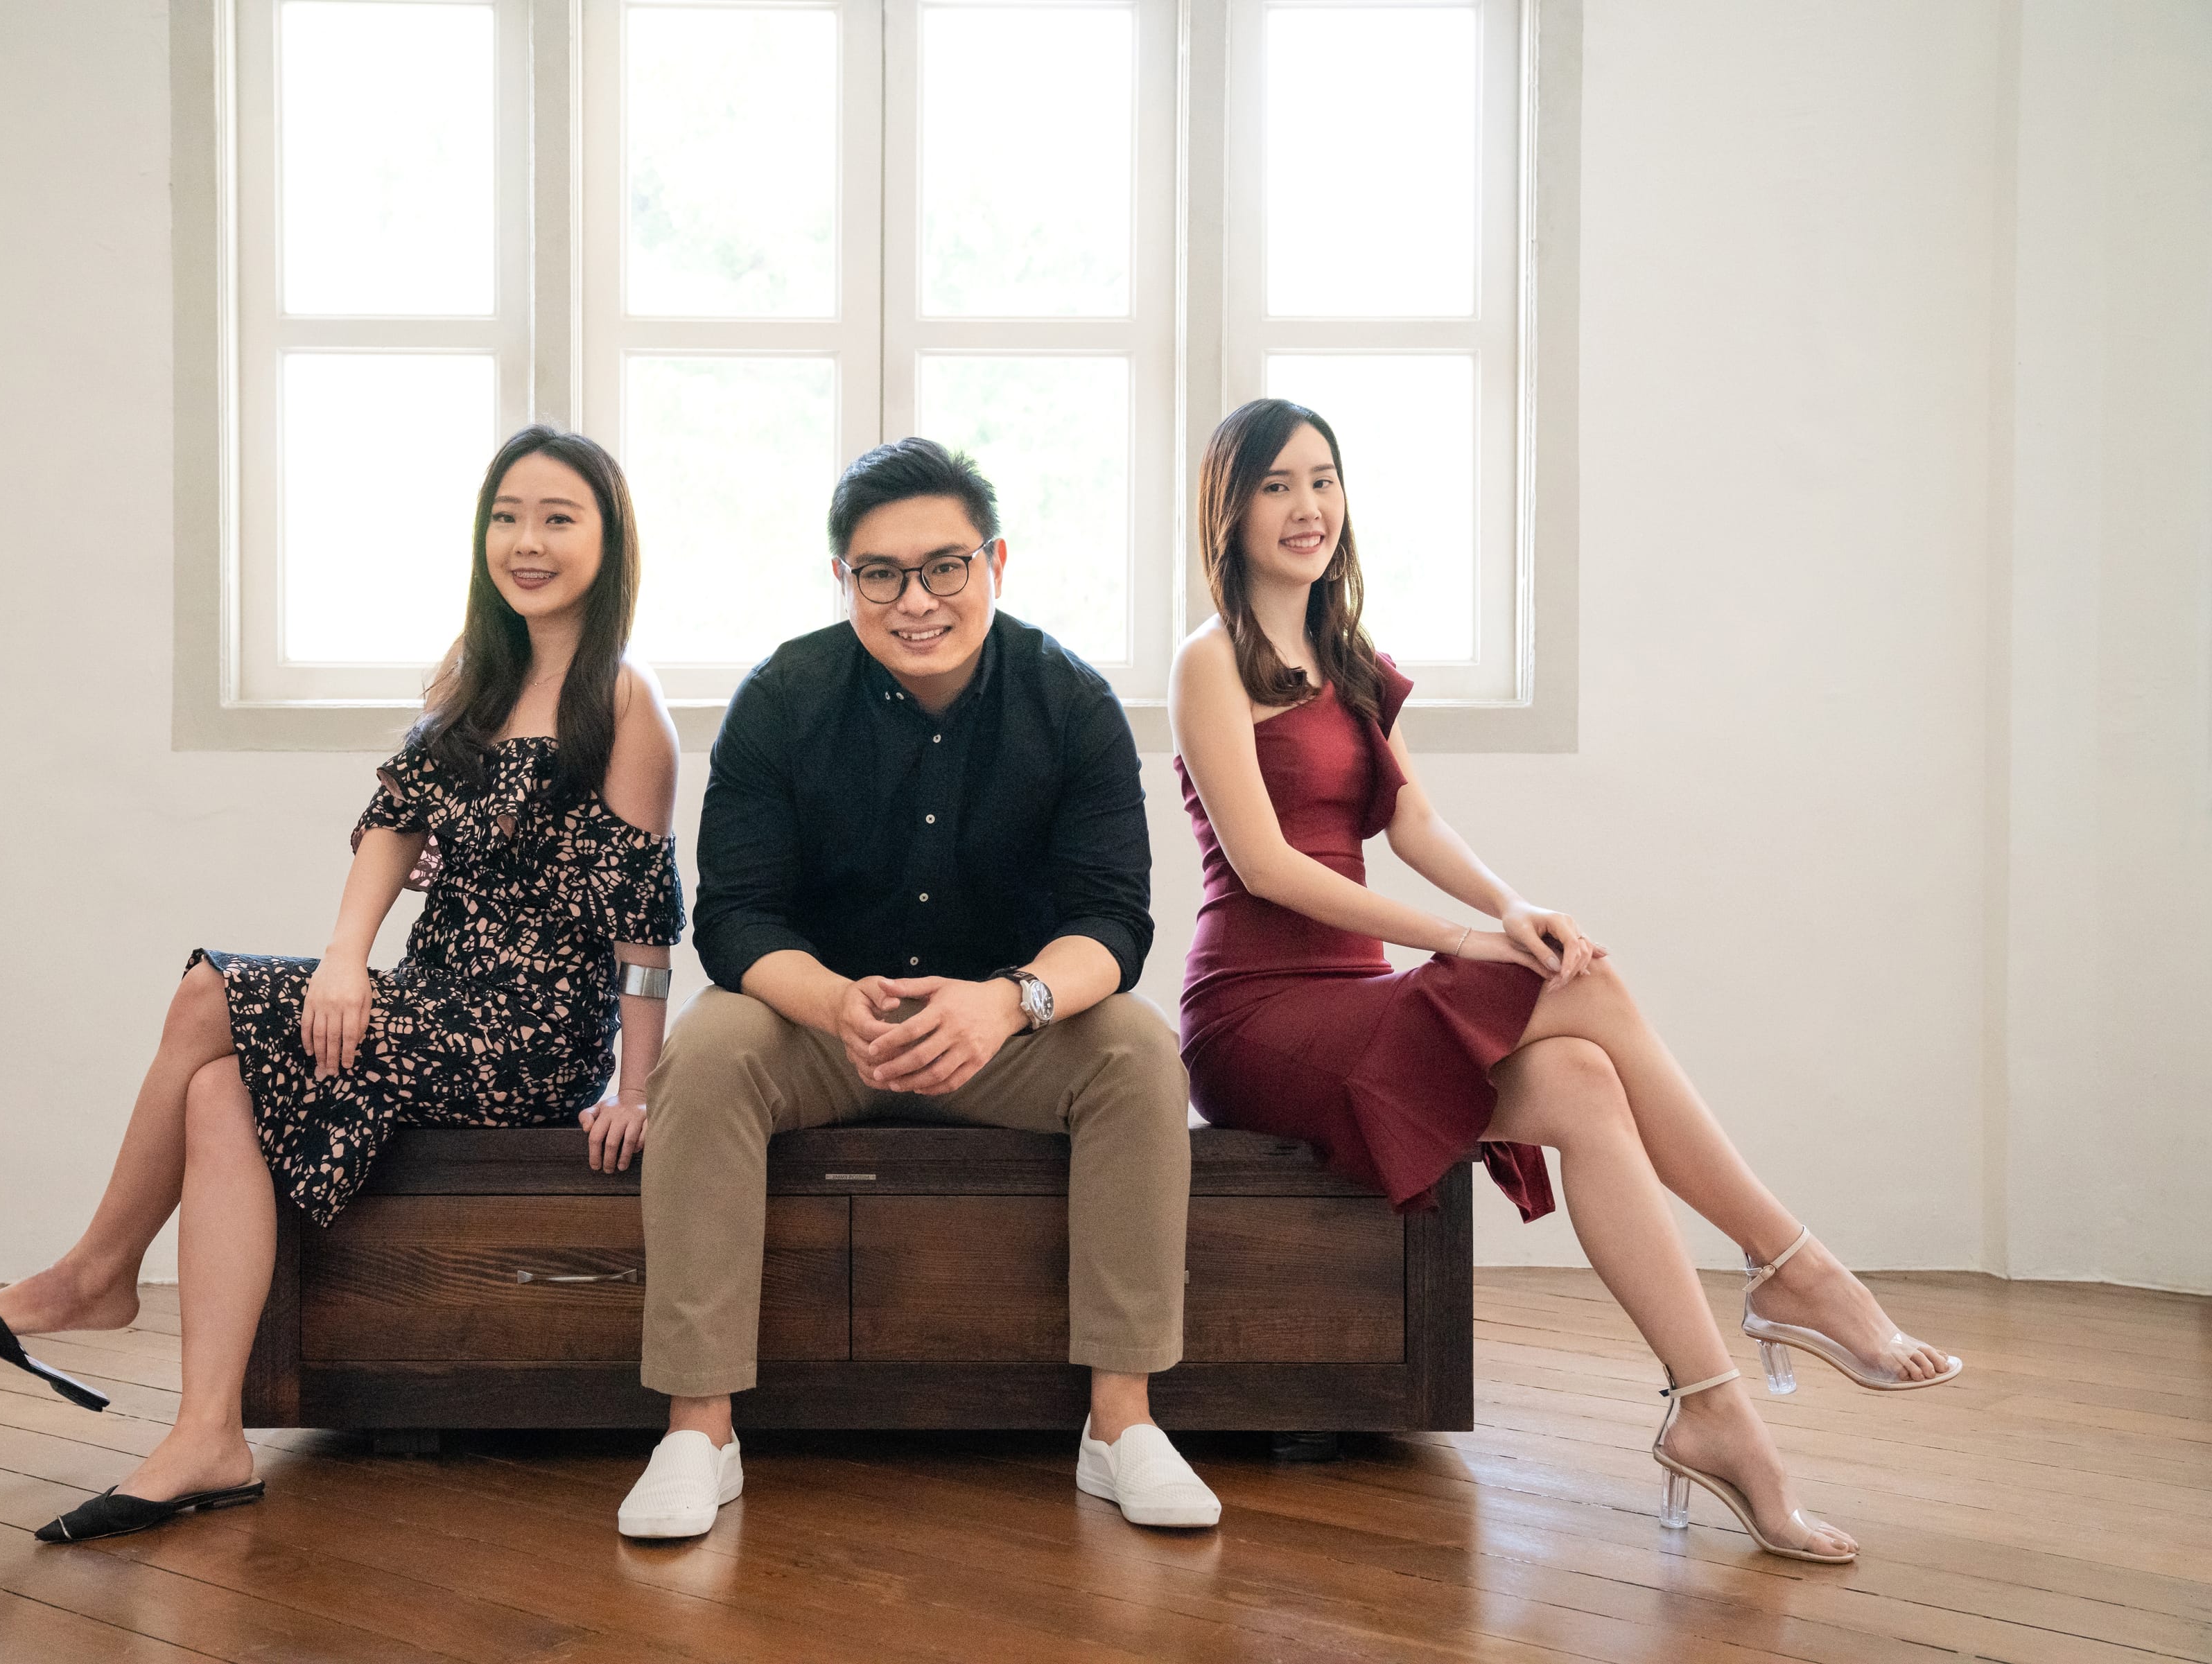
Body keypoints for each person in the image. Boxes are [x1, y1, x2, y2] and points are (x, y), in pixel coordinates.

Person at [1170, 399, 1960, 1565]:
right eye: (1280, 485)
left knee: (1586, 1078)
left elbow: (1414, 818)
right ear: (1231, 512)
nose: (1309, 507)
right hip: (1258, 1010)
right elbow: (1267, 863)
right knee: (1584, 997)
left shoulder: (1344, 663)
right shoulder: (1209, 662)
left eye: (1325, 480)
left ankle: (1715, 1409)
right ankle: (1794, 1265)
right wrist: (1464, 940)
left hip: (1355, 995)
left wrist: (1510, 909)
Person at [0, 426, 684, 1543]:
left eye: (560, 517)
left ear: (608, 543)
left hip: (526, 1035)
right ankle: (208, 1434)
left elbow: (642, 927)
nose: (527, 539)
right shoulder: (471, 676)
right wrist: (339, 960)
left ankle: (93, 1274)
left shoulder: (623, 700)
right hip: (432, 999)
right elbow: (389, 827)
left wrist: (636, 1086)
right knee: (216, 1090)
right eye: (508, 514)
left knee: (204, 997)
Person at [619, 438, 1219, 1540]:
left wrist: (1007, 1001)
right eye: (879, 574)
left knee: (1138, 1047)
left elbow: (1113, 921)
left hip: (1004, 1034)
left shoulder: (1071, 702)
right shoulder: (783, 697)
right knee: (706, 1049)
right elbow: (737, 916)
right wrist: (835, 1000)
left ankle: (1122, 1422)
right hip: (824, 1027)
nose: (916, 600)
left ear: (996, 561)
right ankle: (697, 1429)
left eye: (945, 566)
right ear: (841, 581)